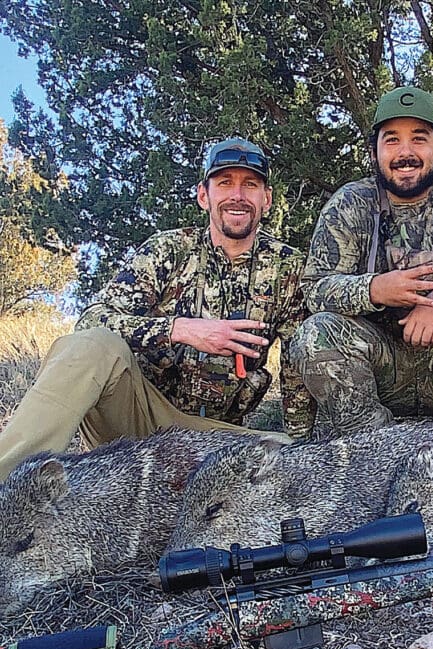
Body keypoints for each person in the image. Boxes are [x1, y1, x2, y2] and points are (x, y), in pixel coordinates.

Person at [0, 137, 308, 481]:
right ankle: (8, 481)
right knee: (91, 345)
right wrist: (181, 330)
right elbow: (92, 319)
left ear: (266, 199)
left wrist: (302, 439)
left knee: (291, 454)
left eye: (249, 184)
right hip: (139, 420)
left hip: (215, 439)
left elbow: (297, 369)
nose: (237, 195)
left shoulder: (290, 269)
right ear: (204, 195)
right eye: (225, 183)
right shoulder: (168, 250)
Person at [289, 86, 433, 438]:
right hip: (381, 364)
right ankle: (370, 451)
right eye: (392, 140)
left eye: (419, 138)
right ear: (374, 152)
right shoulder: (350, 203)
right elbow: (317, 287)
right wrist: (375, 289)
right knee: (316, 333)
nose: (405, 152)